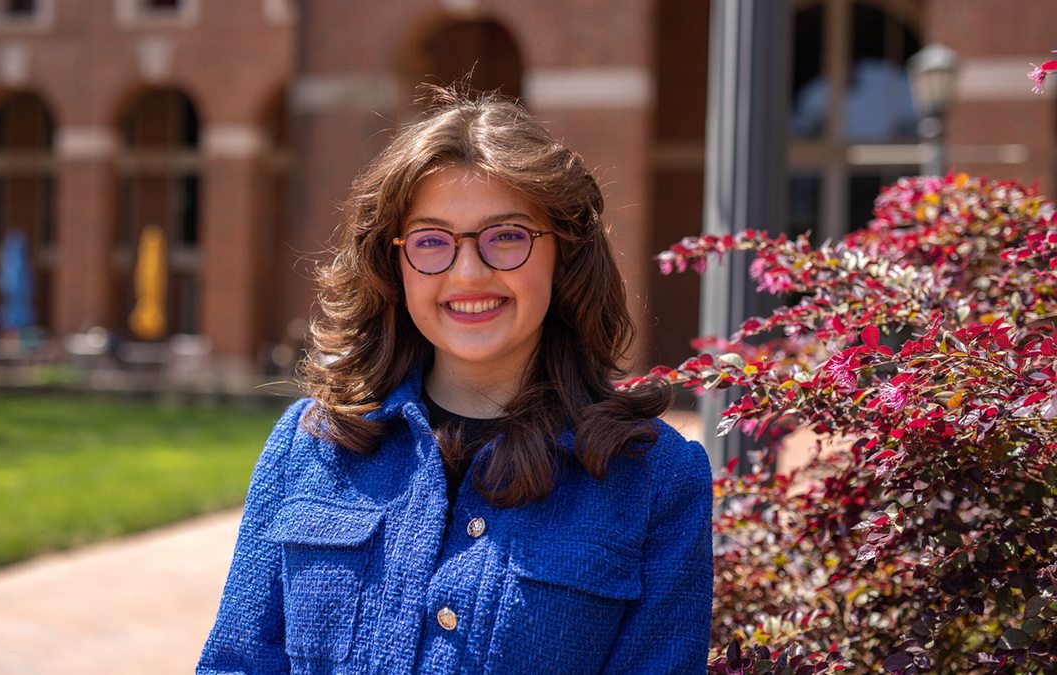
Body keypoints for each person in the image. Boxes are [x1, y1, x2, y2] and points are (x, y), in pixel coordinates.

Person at [197, 89, 713, 674]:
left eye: (507, 236)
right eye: (431, 241)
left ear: (564, 255)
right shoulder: (309, 444)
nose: (468, 272)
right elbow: (235, 664)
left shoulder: (656, 479)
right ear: (395, 264)